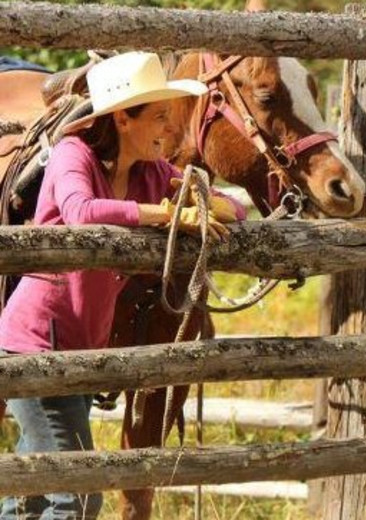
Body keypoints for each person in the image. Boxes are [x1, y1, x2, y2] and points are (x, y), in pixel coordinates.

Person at [0, 51, 246, 520]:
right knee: (78, 496)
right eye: (158, 116)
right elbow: (81, 211)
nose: (171, 130)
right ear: (122, 119)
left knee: (31, 494)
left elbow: (234, 209)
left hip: (77, 348)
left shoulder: (151, 172)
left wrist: (204, 205)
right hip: (37, 345)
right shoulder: (74, 154)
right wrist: (168, 214)